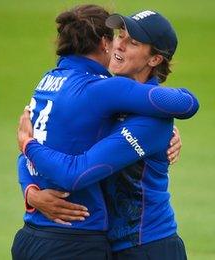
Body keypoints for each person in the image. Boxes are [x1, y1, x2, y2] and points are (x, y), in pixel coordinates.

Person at [10, 5, 199, 260]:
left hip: (148, 247)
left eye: (132, 42)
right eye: (119, 35)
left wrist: (27, 144)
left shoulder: (151, 120)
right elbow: (47, 141)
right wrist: (32, 192)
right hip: (107, 245)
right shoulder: (102, 100)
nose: (118, 45)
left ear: (154, 59)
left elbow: (74, 171)